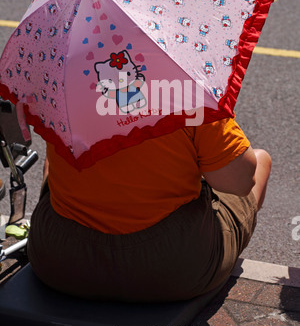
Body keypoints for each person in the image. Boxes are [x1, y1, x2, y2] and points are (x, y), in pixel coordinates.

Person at [27, 116, 271, 302]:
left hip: (60, 261)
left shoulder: (62, 78)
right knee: (261, 160)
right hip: (173, 269)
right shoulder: (188, 88)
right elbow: (240, 182)